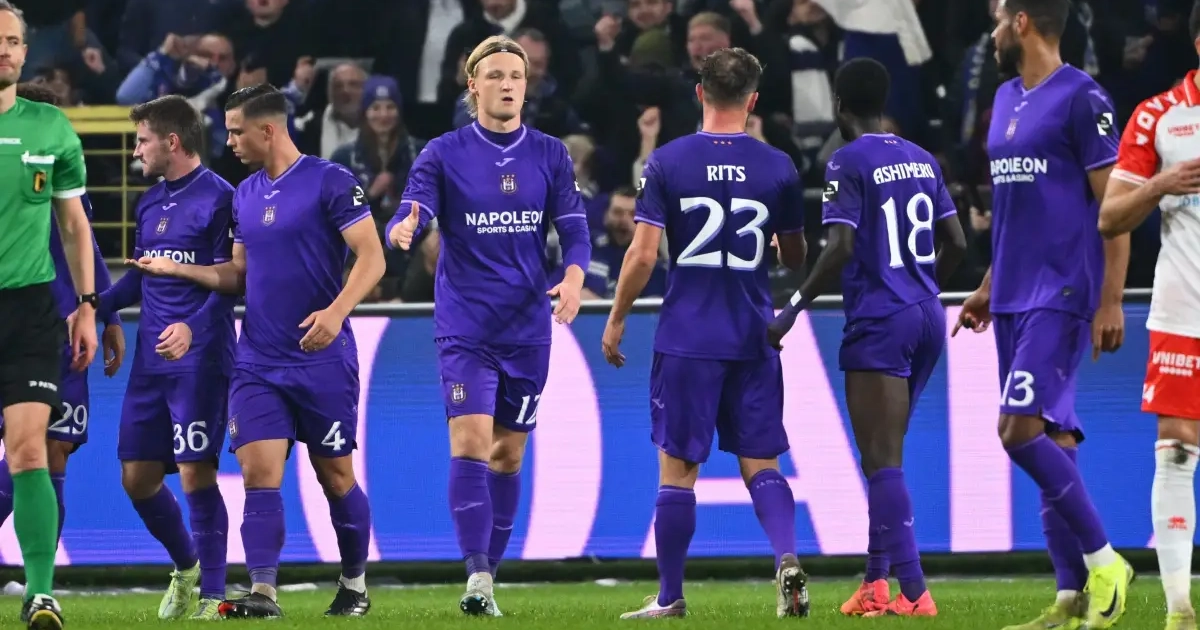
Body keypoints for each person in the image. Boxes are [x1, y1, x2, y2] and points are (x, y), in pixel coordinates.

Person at [128, 83, 387, 619]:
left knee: (335, 476)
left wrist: (336, 312)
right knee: (257, 473)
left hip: (321, 356)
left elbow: (372, 257)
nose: (229, 141)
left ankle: (354, 584)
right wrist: (179, 269)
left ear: (267, 130)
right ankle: (264, 593)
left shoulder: (331, 181)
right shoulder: (244, 195)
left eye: (236, 131)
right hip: (258, 361)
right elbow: (238, 274)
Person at [599, 47, 810, 620]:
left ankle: (670, 597)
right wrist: (776, 244)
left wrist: (616, 316)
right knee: (762, 462)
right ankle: (787, 559)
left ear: (699, 93)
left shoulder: (667, 161)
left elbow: (643, 255)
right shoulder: (778, 166)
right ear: (753, 100)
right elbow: (796, 257)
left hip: (688, 337)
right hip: (754, 335)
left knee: (678, 471)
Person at [386, 35, 591, 617]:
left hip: (527, 327)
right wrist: (404, 226)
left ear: (527, 87)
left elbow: (574, 229)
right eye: (495, 75)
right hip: (465, 326)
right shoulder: (443, 152)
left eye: (516, 76)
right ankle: (476, 576)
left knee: (507, 456)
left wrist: (574, 278)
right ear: (472, 85)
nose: (507, 84)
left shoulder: (550, 153)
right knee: (471, 443)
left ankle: (489, 579)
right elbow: (413, 207)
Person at [954, 1, 1134, 628]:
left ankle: (1108, 561)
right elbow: (1015, 212)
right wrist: (987, 284)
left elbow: (1115, 209)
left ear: (1023, 22)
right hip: (1011, 294)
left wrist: (1110, 298)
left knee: (1017, 430)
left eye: (999, 20)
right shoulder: (1005, 98)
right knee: (1053, 438)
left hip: (1061, 292)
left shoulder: (1083, 99)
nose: (993, 32)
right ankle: (1069, 596)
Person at [769, 58, 967, 618]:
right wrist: (919, 288)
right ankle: (876, 583)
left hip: (881, 320)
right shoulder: (921, 157)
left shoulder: (847, 160)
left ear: (838, 104)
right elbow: (956, 242)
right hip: (926, 314)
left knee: (881, 460)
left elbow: (840, 248)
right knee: (885, 457)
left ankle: (914, 591)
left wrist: (792, 308)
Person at [97, 94, 236, 621]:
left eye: (142, 141)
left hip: (200, 358)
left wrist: (191, 328)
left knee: (197, 473)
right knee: (136, 478)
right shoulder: (150, 202)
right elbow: (141, 277)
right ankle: (187, 567)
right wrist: (92, 307)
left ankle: (214, 596)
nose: (136, 151)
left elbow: (230, 282)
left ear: (172, 142)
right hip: (150, 362)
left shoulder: (222, 198)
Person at [0, 79, 123, 599]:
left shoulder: (67, 182)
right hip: (31, 320)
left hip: (61, 330)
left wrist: (104, 314)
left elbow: (85, 247)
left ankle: (39, 584)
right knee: (30, 453)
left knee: (52, 453)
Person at [1097, 7, 1200, 627]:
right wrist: (1160, 185)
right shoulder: (1159, 116)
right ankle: (1179, 608)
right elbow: (1110, 216)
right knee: (1177, 453)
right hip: (1185, 311)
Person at [0, 2, 99, 627]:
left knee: (29, 451)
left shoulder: (51, 128)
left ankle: (40, 593)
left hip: (30, 309)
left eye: (12, 41)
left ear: (24, 50)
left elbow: (74, 224)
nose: (4, 51)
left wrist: (86, 306)